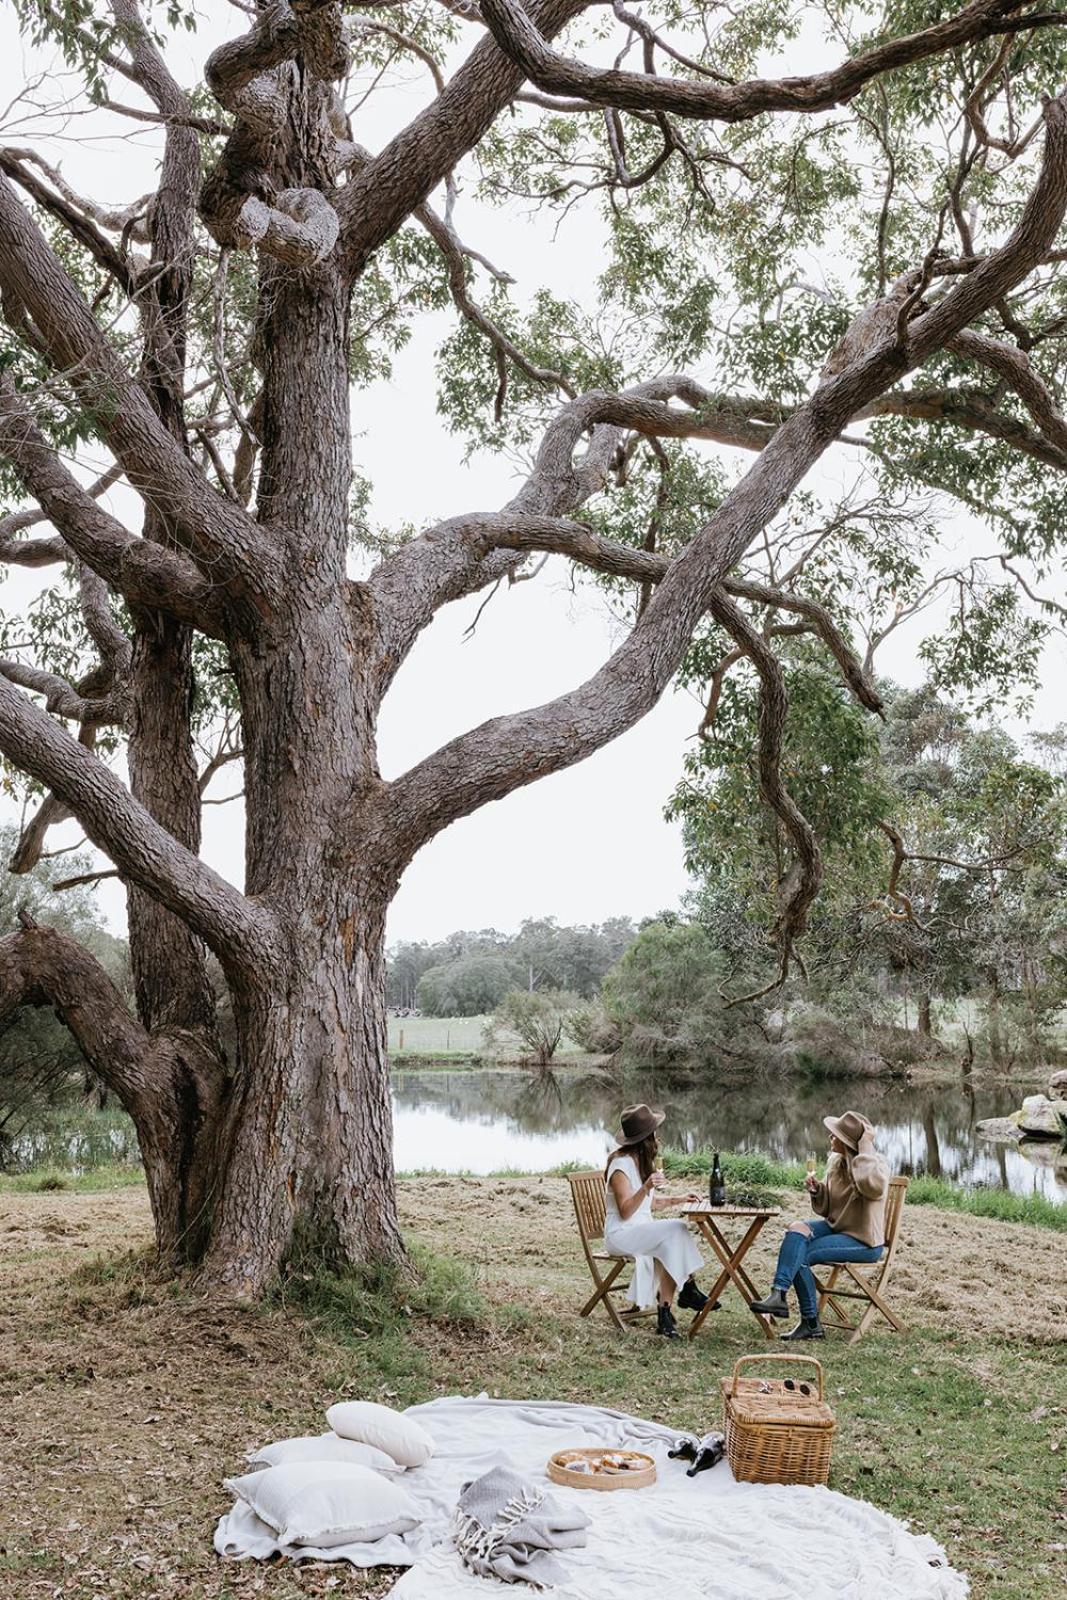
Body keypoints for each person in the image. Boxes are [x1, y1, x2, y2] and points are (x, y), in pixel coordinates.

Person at [749, 1110, 889, 1341]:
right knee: (797, 1229)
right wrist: (818, 1191)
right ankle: (779, 1294)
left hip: (864, 1242)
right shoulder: (836, 1163)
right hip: (838, 1229)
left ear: (847, 1142)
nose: (830, 1138)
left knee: (803, 1254)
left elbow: (872, 1187)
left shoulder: (875, 1167)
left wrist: (864, 1149)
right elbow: (828, 1209)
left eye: (835, 1136)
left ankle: (811, 1324)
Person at [604, 1103, 709, 1341]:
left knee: (670, 1242)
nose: (657, 1137)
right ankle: (688, 1287)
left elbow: (648, 1205)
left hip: (639, 1231)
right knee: (676, 1229)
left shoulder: (639, 1162)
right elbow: (626, 1212)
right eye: (654, 1133)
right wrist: (647, 1186)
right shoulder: (620, 1167)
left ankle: (665, 1314)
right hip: (620, 1235)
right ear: (646, 1138)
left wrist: (679, 1198)